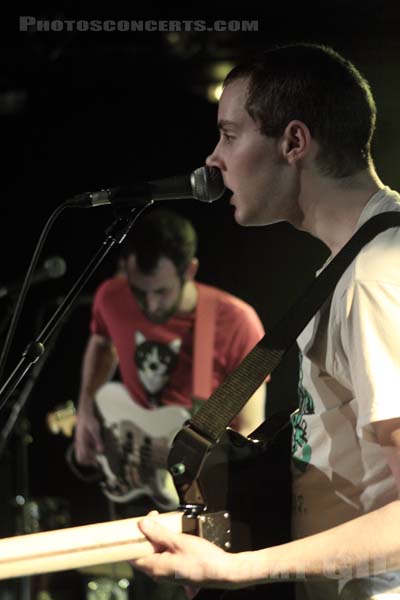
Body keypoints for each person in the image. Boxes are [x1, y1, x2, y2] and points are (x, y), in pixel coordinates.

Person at [131, 44, 400, 599]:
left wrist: (232, 570)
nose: (214, 159)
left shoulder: (376, 277)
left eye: (230, 135)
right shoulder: (353, 262)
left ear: (294, 142)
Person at [74, 208, 267, 600]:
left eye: (160, 292)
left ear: (190, 270)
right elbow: (101, 343)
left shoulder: (236, 322)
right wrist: (85, 411)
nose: (148, 304)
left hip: (196, 492)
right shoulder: (112, 296)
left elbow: (248, 434)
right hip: (132, 472)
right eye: (138, 290)